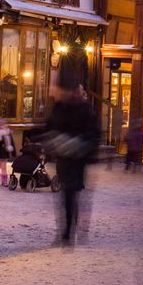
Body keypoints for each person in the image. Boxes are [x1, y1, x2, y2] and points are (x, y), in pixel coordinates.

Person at [47, 72, 97, 245]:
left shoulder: (85, 109)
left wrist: (80, 147)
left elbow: (93, 135)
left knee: (71, 194)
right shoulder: (60, 107)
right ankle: (67, 231)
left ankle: (69, 232)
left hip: (77, 159)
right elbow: (51, 127)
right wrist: (54, 142)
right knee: (64, 195)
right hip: (63, 158)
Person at [0, 118, 15, 186]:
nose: (3, 126)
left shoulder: (7, 134)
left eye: (4, 124)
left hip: (4, 153)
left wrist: (12, 153)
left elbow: (11, 144)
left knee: (4, 168)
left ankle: (4, 181)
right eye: (2, 125)